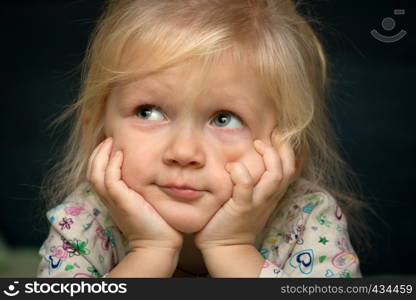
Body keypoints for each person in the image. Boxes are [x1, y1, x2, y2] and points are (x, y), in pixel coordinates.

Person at [37, 0, 368, 278]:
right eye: (148, 112)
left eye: (224, 119)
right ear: (97, 133)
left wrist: (232, 248)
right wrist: (149, 253)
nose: (183, 152)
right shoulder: (83, 222)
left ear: (290, 153)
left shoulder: (307, 218)